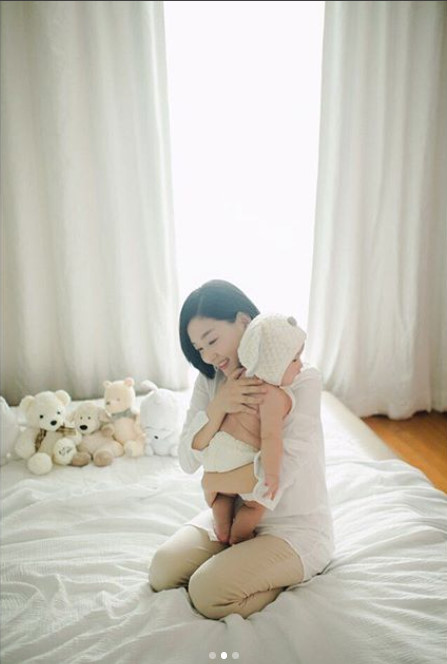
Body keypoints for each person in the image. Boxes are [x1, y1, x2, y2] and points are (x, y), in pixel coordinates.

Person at [149, 280, 334, 620]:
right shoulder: (210, 380)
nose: (208, 356)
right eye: (198, 348)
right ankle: (239, 564)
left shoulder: (299, 378)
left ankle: (274, 579)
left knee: (207, 593)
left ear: (244, 322)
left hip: (293, 527)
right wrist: (219, 407)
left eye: (212, 340)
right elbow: (187, 459)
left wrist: (213, 481)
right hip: (234, 516)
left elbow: (279, 474)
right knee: (163, 571)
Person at [202, 313, 307, 546]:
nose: (301, 365)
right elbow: (270, 437)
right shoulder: (271, 395)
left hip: (216, 451)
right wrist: (271, 474)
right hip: (240, 455)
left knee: (224, 497)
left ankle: (221, 528)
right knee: (255, 505)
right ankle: (239, 536)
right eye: (294, 360)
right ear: (274, 365)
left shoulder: (240, 378)